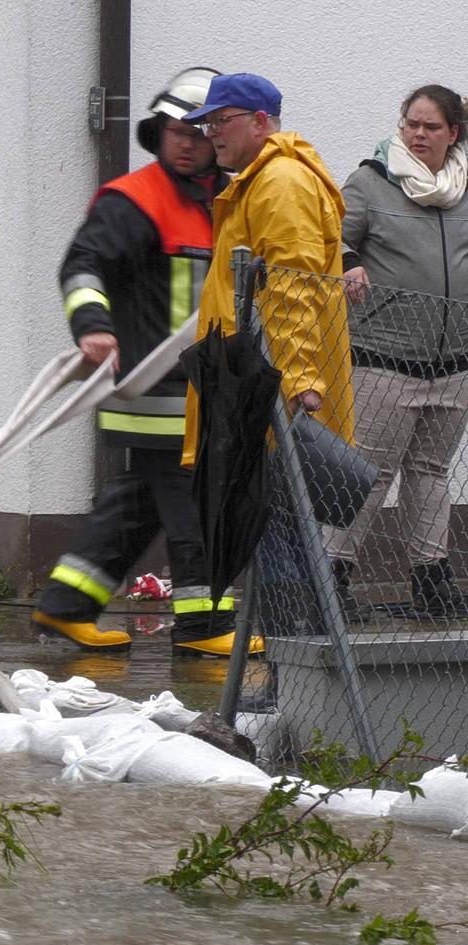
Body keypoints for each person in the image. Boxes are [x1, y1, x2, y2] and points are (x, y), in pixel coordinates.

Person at [34, 67, 247, 656]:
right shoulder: (135, 201)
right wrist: (93, 327)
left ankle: (67, 604)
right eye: (174, 130)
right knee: (198, 503)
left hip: (203, 390)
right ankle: (205, 627)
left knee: (139, 507)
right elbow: (82, 267)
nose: (184, 142)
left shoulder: (229, 199)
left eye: (197, 132)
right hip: (159, 390)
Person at [182, 73, 356, 635]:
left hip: (273, 395)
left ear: (261, 121)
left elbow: (291, 286)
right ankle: (302, 678)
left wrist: (301, 378)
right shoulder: (258, 181)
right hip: (257, 387)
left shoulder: (278, 182)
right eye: (206, 123)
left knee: (278, 533)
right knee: (282, 531)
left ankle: (294, 679)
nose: (212, 134)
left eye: (221, 120)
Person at [326, 85, 468, 620]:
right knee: (369, 472)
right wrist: (347, 261)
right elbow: (328, 231)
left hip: (455, 362)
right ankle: (334, 577)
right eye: (412, 124)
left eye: (431, 127)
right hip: (383, 358)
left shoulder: (464, 187)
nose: (418, 134)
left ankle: (430, 579)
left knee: (430, 470)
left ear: (453, 134)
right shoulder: (370, 181)